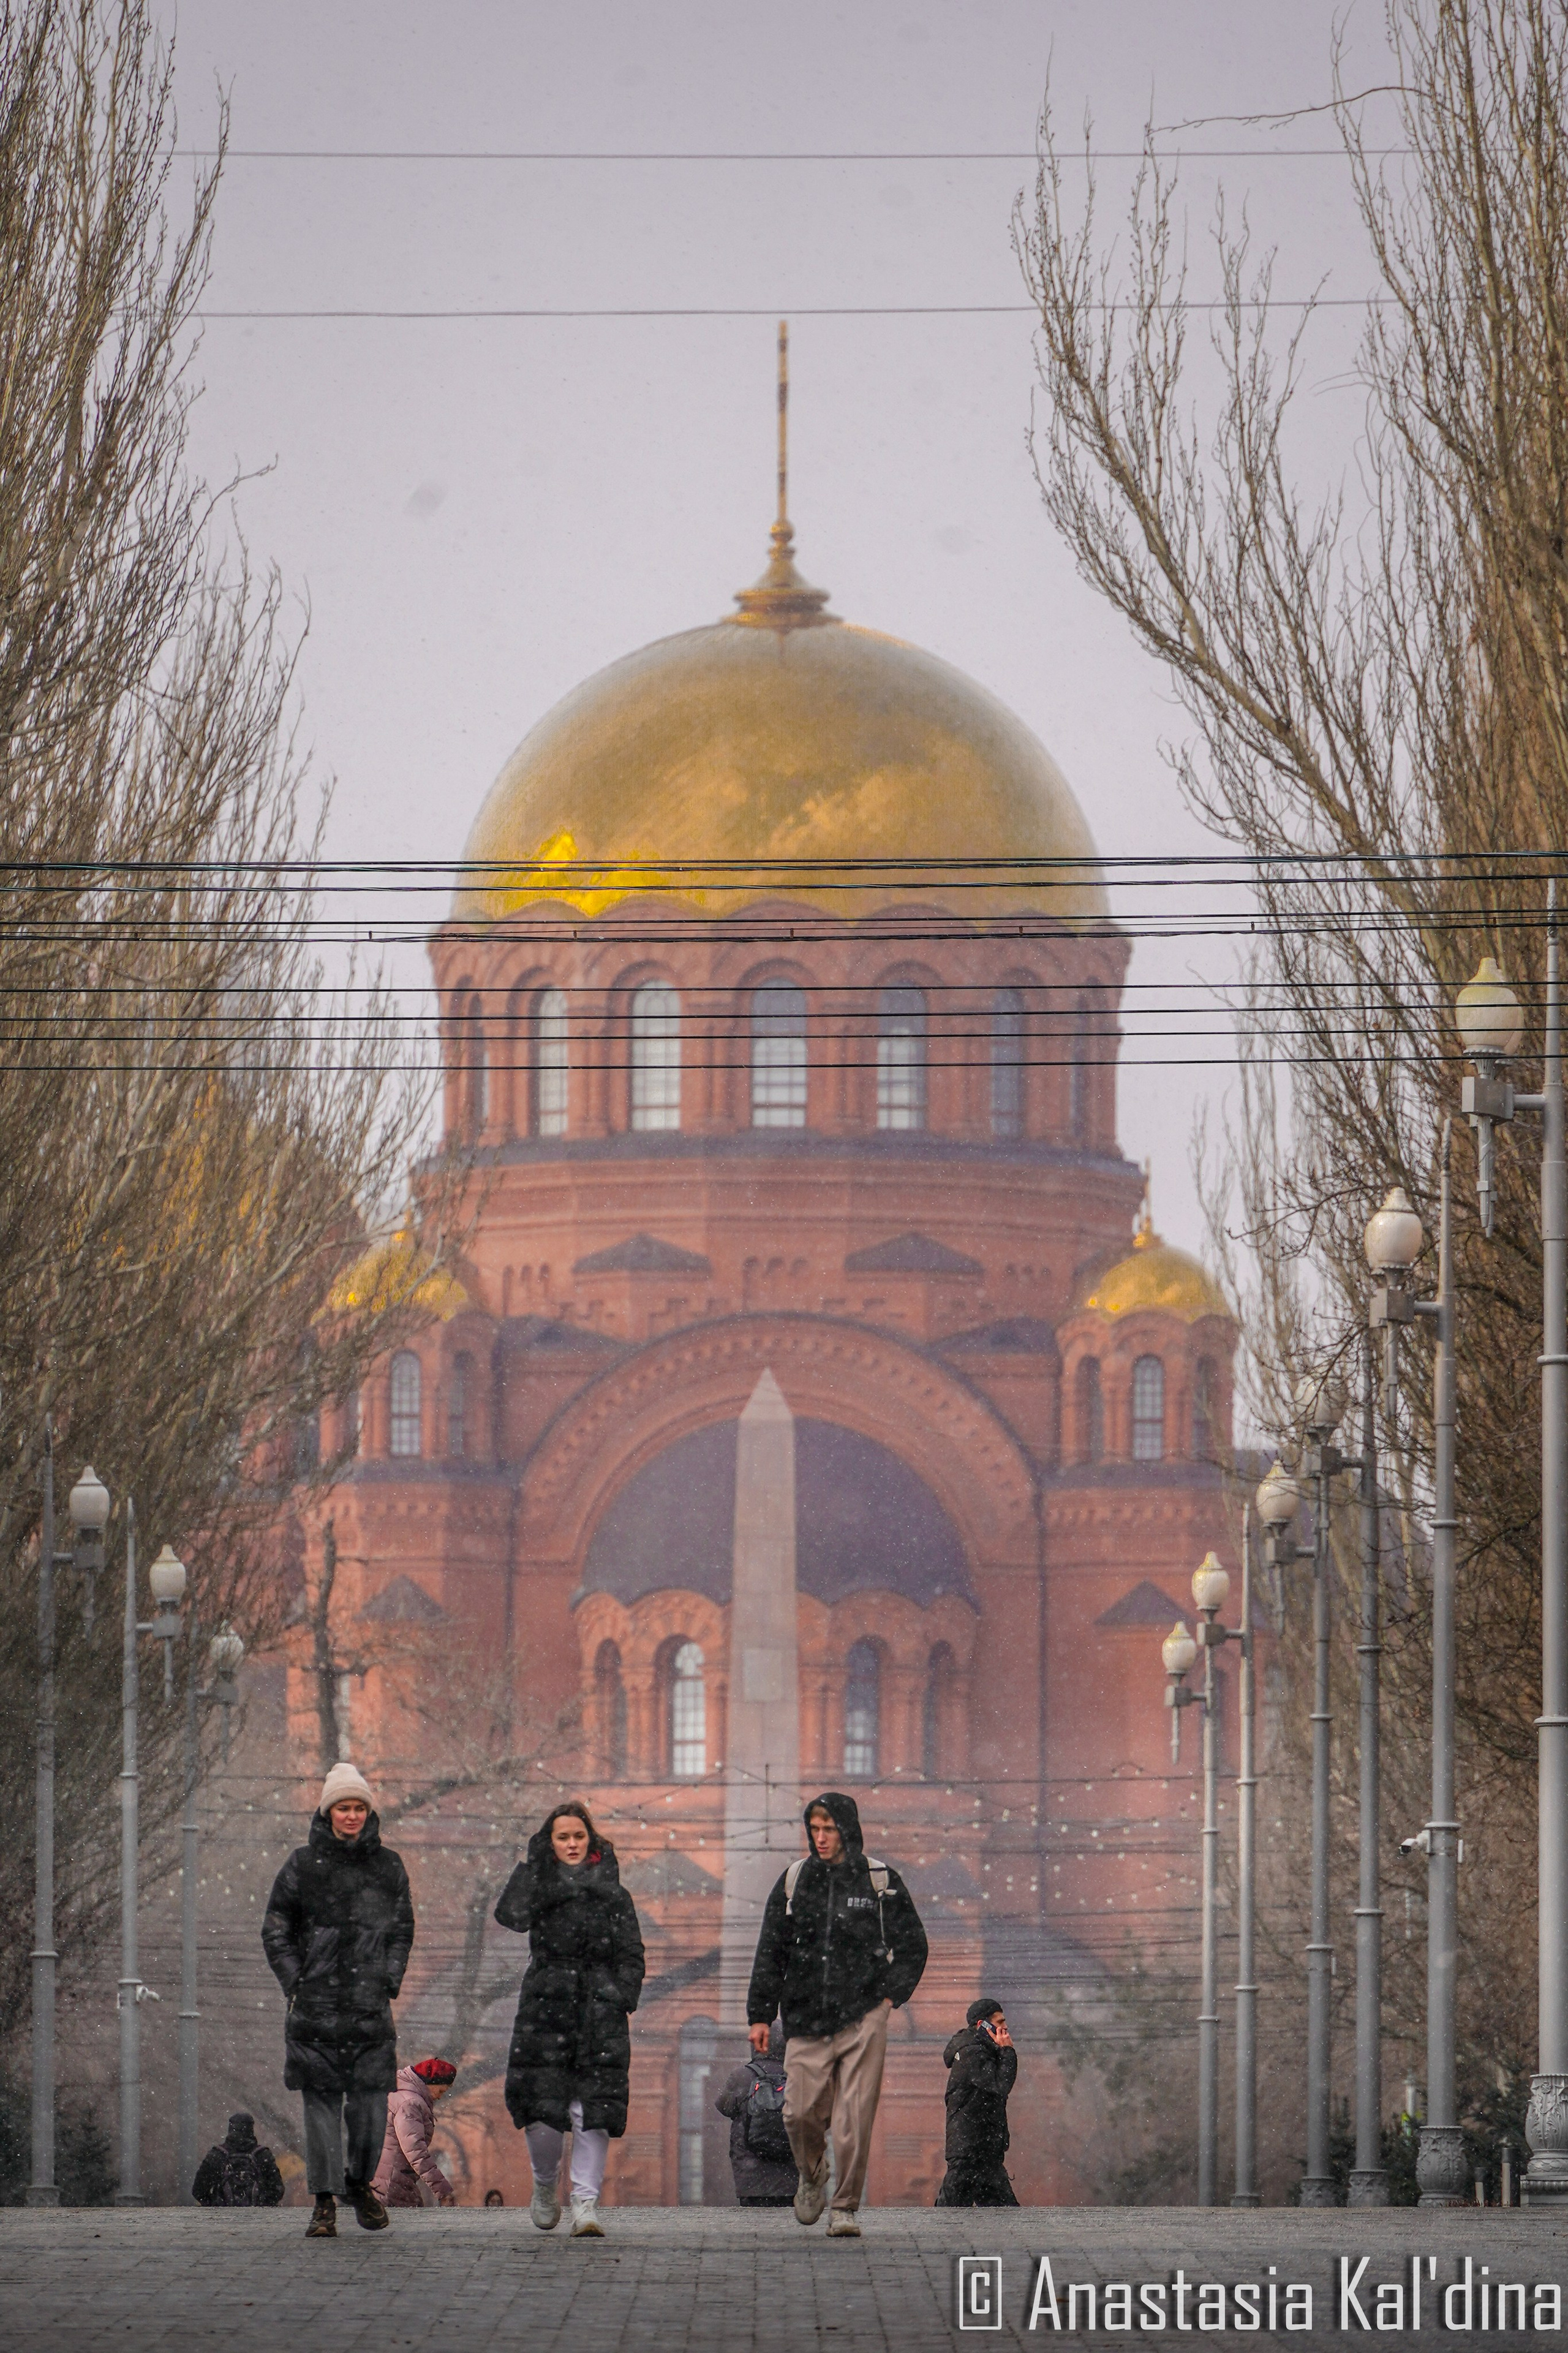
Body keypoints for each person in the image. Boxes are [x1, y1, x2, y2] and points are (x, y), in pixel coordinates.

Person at [746, 1791, 929, 2238]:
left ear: (846, 1828)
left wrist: (888, 2000)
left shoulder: (879, 1881)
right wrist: (761, 2013)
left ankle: (845, 2206)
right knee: (798, 2112)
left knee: (853, 2120)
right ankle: (812, 2177)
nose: (821, 1837)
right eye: (815, 1828)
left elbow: (914, 1947)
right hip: (806, 2018)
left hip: (864, 2017)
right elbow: (771, 1951)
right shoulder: (794, 1882)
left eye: (829, 1828)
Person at [262, 1760, 415, 2240]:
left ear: (369, 1812)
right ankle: (324, 2201)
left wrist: (389, 1978)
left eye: (359, 1807)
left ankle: (359, 2184)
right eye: (344, 1807)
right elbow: (275, 1928)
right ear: (328, 1812)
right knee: (321, 2108)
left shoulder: (389, 1866)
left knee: (371, 2109)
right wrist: (297, 1980)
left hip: (370, 2010)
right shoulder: (301, 1866)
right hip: (316, 2010)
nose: (351, 1815)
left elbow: (402, 1929)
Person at [494, 1799, 646, 2239]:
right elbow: (510, 1916)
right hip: (546, 2009)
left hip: (600, 2013)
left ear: (591, 1840)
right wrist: (530, 1864)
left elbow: (632, 1953)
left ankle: (585, 2201)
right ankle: (545, 2185)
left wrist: (620, 1996)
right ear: (551, 1841)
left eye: (579, 1835)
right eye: (563, 1836)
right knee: (542, 2113)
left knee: (591, 2111)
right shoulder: (539, 1886)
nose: (572, 1843)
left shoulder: (614, 1894)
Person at [934, 1998, 1019, 2208]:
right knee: (949, 2215)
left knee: (1005, 2217)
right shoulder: (971, 2052)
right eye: (999, 2022)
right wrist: (1007, 2052)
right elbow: (1000, 2085)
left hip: (983, 2152)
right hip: (969, 2153)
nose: (1005, 2027)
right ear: (983, 2025)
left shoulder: (982, 2050)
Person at [715, 2017, 795, 2205]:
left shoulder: (741, 2076)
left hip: (751, 2177)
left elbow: (724, 2107)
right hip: (792, 2175)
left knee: (752, 2226)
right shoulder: (797, 2075)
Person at [372, 2055, 458, 2208]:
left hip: (386, 2180)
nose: (439, 2097)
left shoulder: (401, 2095)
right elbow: (416, 2152)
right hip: (393, 2183)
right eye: (440, 2091)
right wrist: (443, 2190)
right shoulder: (410, 2104)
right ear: (430, 2083)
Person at [190, 2111, 285, 2207]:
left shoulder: (217, 2155)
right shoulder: (263, 2155)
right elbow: (278, 2190)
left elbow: (198, 2191)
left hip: (223, 2219)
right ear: (252, 2129)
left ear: (230, 2129)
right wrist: (261, 2207)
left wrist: (216, 2206)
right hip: (256, 2219)